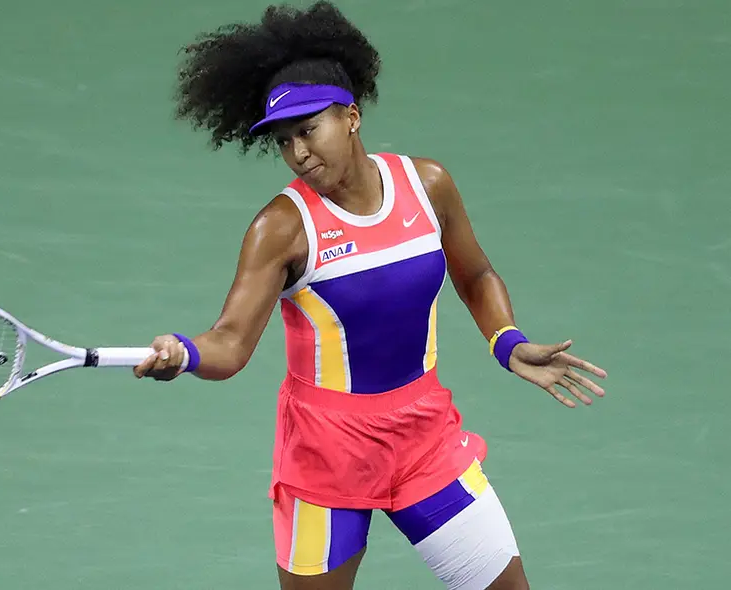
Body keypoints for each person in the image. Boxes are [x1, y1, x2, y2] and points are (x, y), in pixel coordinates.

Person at [133, 2, 608, 589]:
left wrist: (506, 341)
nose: (299, 152)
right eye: (284, 141)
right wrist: (183, 353)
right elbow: (230, 344)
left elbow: (476, 275)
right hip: (325, 456)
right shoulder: (280, 228)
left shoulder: (426, 185)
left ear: (351, 116)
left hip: (425, 440)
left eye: (309, 130)